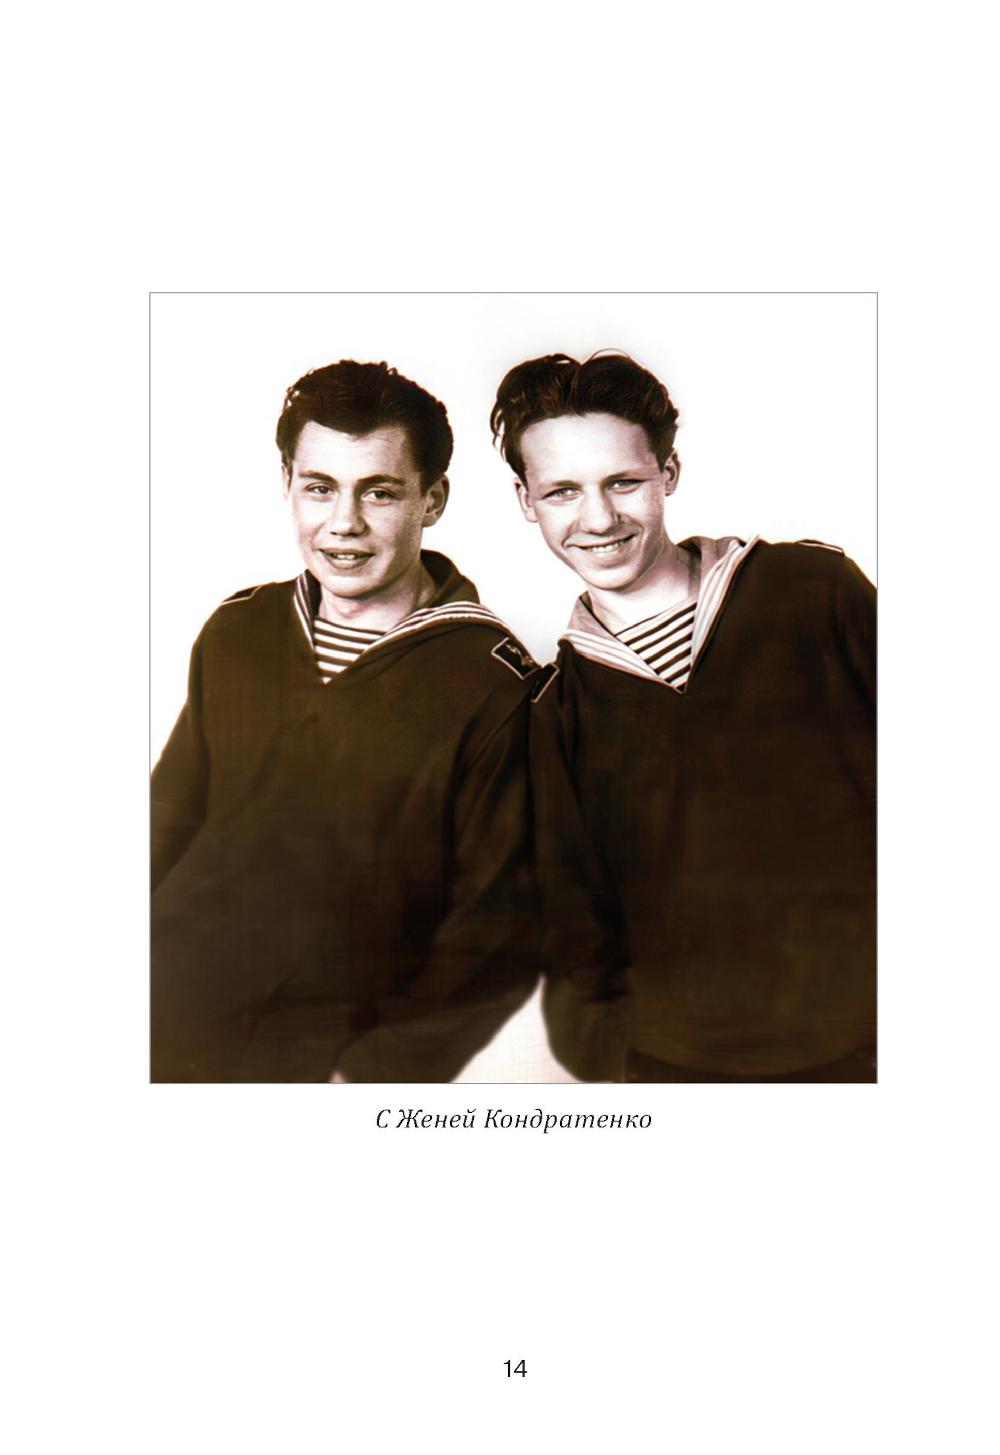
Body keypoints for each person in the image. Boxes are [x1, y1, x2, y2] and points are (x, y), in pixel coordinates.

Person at [491, 351, 875, 1083]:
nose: (598, 518)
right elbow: (578, 938)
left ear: (668, 471)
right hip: (684, 1069)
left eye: (623, 482)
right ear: (526, 499)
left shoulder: (813, 591)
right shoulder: (551, 712)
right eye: (562, 491)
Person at [152, 359, 540, 1082]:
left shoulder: (494, 684)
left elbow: (498, 928)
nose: (344, 524)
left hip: (323, 1060)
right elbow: (165, 820)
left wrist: (376, 1073)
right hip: (161, 1018)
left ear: (432, 499)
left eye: (379, 492)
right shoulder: (239, 627)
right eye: (320, 487)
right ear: (288, 484)